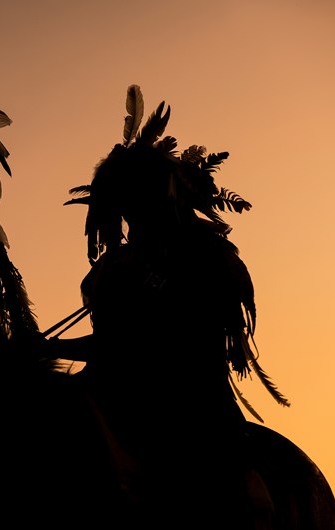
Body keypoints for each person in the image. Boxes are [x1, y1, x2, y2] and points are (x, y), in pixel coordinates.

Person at [61, 86, 288, 528]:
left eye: (139, 199)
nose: (132, 214)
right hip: (112, 388)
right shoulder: (113, 269)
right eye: (125, 204)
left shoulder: (208, 256)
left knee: (214, 480)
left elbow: (193, 337)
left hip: (189, 396)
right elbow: (111, 343)